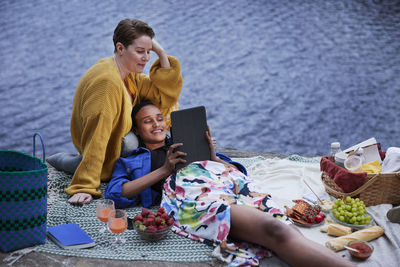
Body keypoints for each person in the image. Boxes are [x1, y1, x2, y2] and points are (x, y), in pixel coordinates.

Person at [105, 102, 355, 267]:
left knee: (284, 227)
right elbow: (116, 194)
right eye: (148, 121)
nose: (157, 124)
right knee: (276, 230)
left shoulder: (186, 145)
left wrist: (212, 157)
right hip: (191, 196)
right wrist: (165, 169)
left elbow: (238, 172)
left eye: (160, 118)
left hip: (228, 186)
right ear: (136, 129)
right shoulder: (132, 160)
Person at [66, 19, 182, 205]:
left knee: (162, 119)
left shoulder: (128, 74)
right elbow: (97, 134)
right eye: (140, 51)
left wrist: (161, 53)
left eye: (148, 52)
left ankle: (69, 161)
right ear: (120, 49)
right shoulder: (107, 84)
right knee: (131, 143)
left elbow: (163, 98)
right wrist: (84, 185)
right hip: (105, 149)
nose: (146, 58)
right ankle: (75, 165)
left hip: (112, 141)